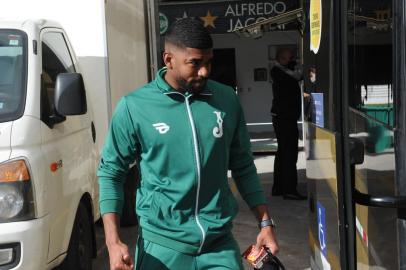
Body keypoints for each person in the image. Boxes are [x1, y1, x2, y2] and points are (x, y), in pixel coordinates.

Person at [98, 18, 279, 270]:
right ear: (168, 59)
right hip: (162, 248)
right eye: (194, 63)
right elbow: (110, 173)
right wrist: (113, 241)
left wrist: (265, 224)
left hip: (219, 247)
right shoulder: (134, 106)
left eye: (208, 63)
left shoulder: (226, 99)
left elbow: (243, 166)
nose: (204, 71)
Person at [270, 47, 307, 200]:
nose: (290, 61)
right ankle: (289, 190)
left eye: (291, 58)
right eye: (286, 58)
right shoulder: (278, 72)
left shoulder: (283, 71)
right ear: (279, 59)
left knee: (283, 153)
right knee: (289, 154)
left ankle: (278, 188)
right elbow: (297, 77)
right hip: (284, 118)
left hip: (284, 117)